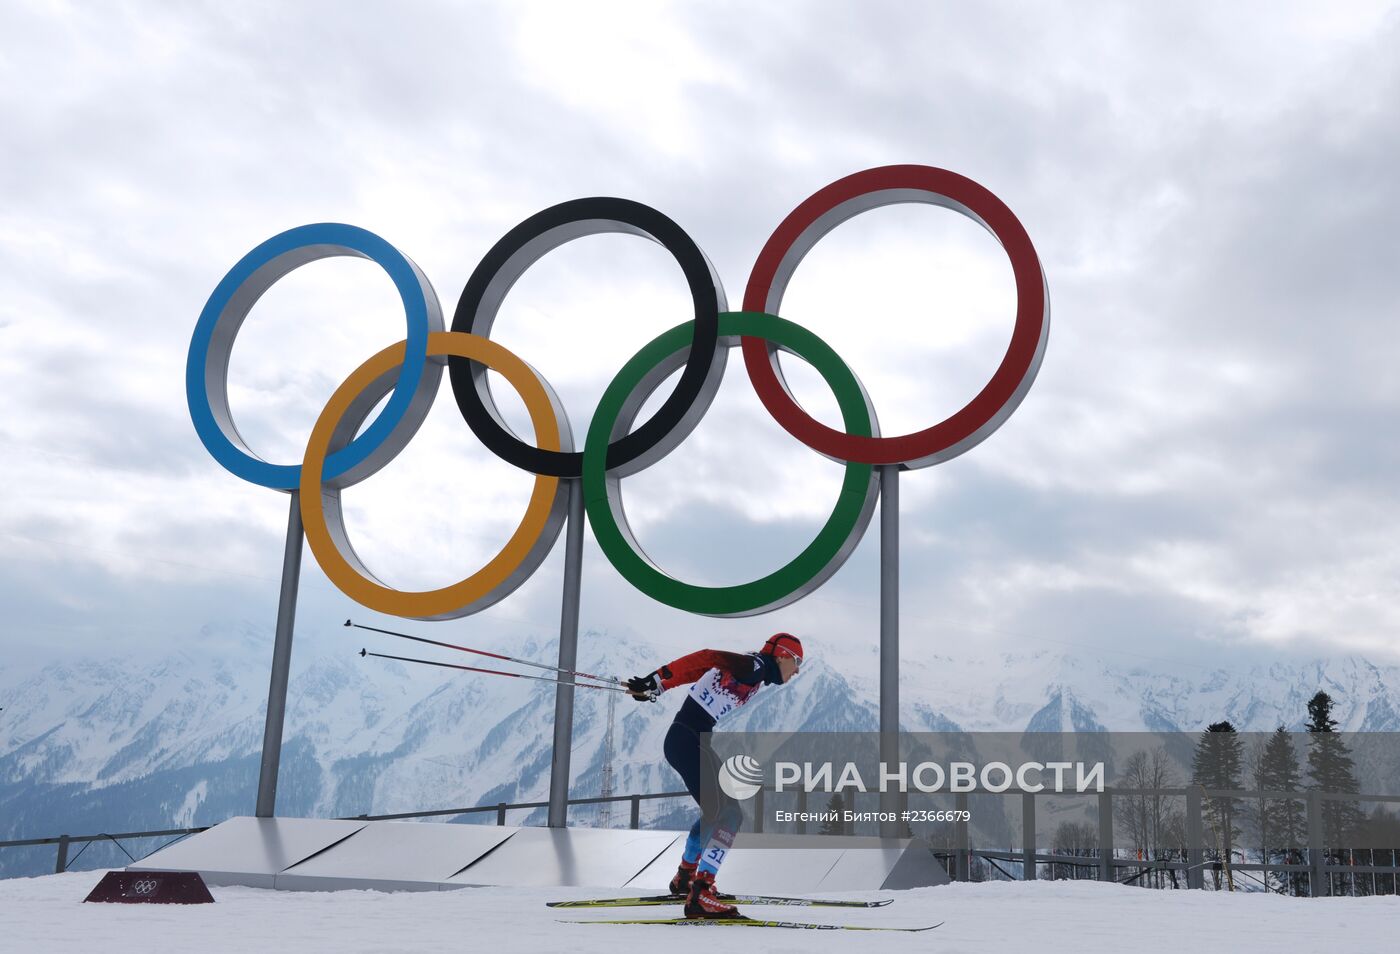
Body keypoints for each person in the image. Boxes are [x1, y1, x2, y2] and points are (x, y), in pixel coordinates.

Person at [626, 632, 803, 919]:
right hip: (688, 740)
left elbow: (701, 668)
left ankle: (686, 877)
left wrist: (659, 684)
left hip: (688, 739)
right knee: (729, 814)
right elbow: (707, 657)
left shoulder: (753, 669)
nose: (796, 671)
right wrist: (658, 679)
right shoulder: (755, 666)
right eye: (796, 662)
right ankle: (701, 892)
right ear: (781, 655)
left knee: (719, 810)